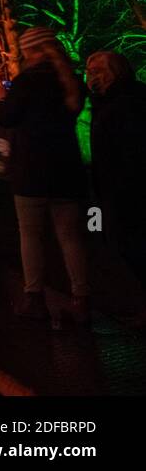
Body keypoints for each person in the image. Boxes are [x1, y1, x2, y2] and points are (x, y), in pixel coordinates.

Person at [0, 26, 90, 326]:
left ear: (27, 51)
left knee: (31, 235)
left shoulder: (25, 82)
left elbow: (8, 118)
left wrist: (0, 98)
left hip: (31, 170)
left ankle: (34, 298)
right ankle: (82, 299)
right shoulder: (72, 83)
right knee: (70, 236)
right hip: (67, 169)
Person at [86, 50, 146, 328]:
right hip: (118, 187)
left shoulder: (125, 102)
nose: (91, 75)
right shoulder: (108, 101)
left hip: (129, 188)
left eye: (97, 70)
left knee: (133, 245)